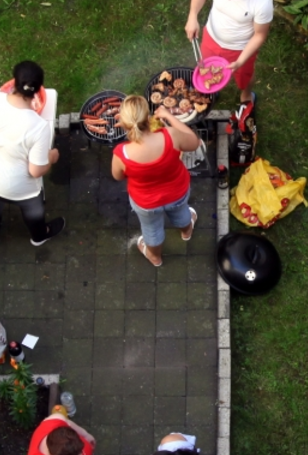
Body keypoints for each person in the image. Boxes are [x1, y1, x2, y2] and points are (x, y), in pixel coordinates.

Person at [0, 60, 66, 247]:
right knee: (33, 211)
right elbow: (35, 171)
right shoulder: (39, 126)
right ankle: (39, 236)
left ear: (13, 82)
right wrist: (52, 157)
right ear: (38, 90)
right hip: (15, 186)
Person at [111, 97, 202, 267]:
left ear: (125, 125)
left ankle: (155, 257)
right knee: (182, 213)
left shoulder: (121, 153)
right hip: (177, 192)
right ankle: (186, 232)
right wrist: (168, 116)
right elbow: (194, 142)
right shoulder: (170, 135)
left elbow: (118, 176)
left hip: (146, 202)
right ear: (148, 118)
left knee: (151, 229)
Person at [185, 0, 273, 105]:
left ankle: (246, 95)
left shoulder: (263, 4)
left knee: (245, 75)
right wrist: (193, 15)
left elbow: (260, 35)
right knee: (205, 70)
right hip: (211, 37)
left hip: (241, 49)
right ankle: (210, 90)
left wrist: (240, 62)